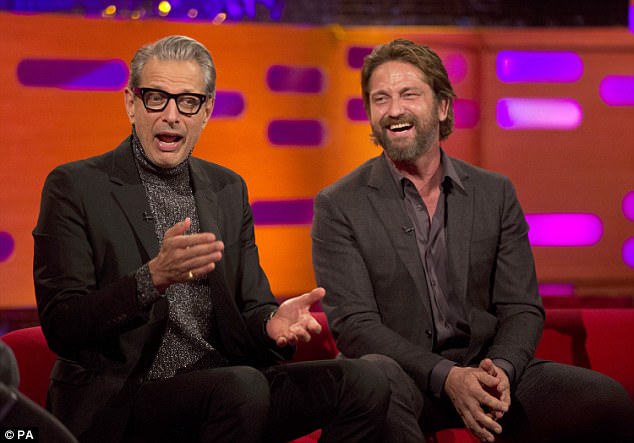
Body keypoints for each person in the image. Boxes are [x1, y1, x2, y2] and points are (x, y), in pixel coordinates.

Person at [33, 35, 389, 443]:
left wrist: (269, 325)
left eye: (188, 102)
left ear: (206, 111)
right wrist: (152, 279)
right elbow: (62, 324)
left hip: (227, 388)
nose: (171, 116)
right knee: (241, 387)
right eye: (156, 99)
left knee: (365, 381)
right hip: (123, 400)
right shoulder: (75, 186)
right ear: (131, 103)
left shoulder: (227, 188)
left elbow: (252, 306)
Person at [311, 38, 634, 443]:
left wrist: (502, 371)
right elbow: (355, 327)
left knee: (606, 401)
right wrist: (447, 376)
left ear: (442, 106)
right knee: (375, 380)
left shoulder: (494, 193)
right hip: (402, 376)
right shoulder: (340, 204)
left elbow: (521, 306)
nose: (394, 110)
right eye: (381, 99)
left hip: (485, 368)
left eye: (409, 94)